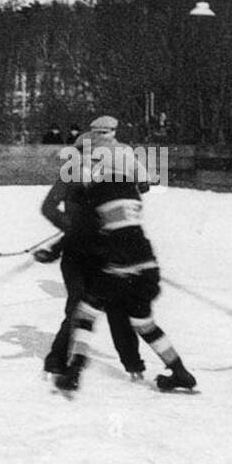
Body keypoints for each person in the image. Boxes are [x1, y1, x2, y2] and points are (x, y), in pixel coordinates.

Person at [55, 115, 196, 393]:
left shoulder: (93, 186)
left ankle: (73, 371)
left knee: (86, 312)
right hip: (145, 259)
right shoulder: (130, 180)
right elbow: (143, 184)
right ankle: (180, 372)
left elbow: (84, 225)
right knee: (142, 321)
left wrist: (55, 246)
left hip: (116, 261)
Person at [36, 129, 144, 379]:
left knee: (113, 306)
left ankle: (133, 365)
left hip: (100, 251)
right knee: (83, 306)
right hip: (79, 251)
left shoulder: (113, 177)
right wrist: (70, 227)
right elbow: (49, 207)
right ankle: (56, 361)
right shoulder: (73, 174)